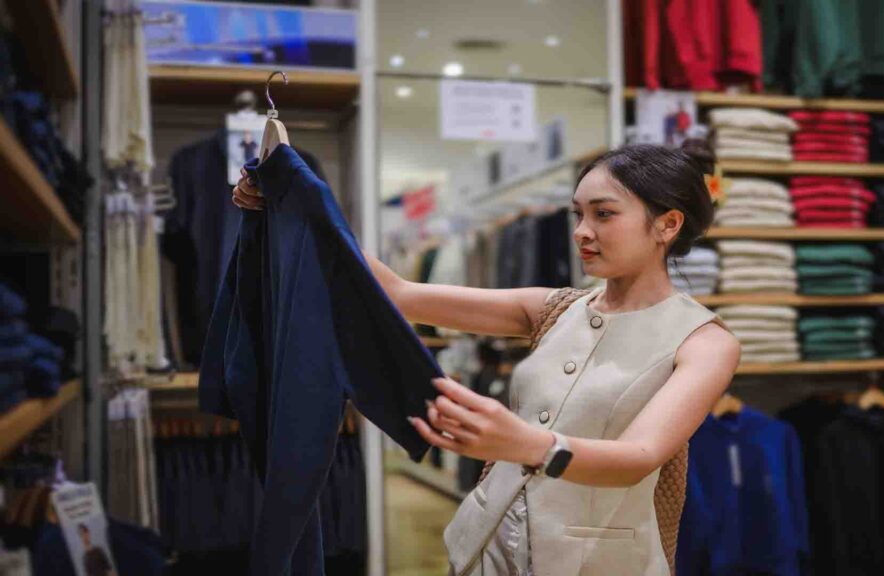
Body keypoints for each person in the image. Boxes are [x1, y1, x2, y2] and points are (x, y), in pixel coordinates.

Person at [232, 141, 740, 575]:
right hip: (484, 546)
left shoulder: (703, 342)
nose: (582, 231)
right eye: (578, 214)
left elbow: (640, 457)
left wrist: (526, 443)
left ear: (667, 224)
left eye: (603, 214)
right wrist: (296, 208)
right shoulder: (555, 308)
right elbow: (399, 293)